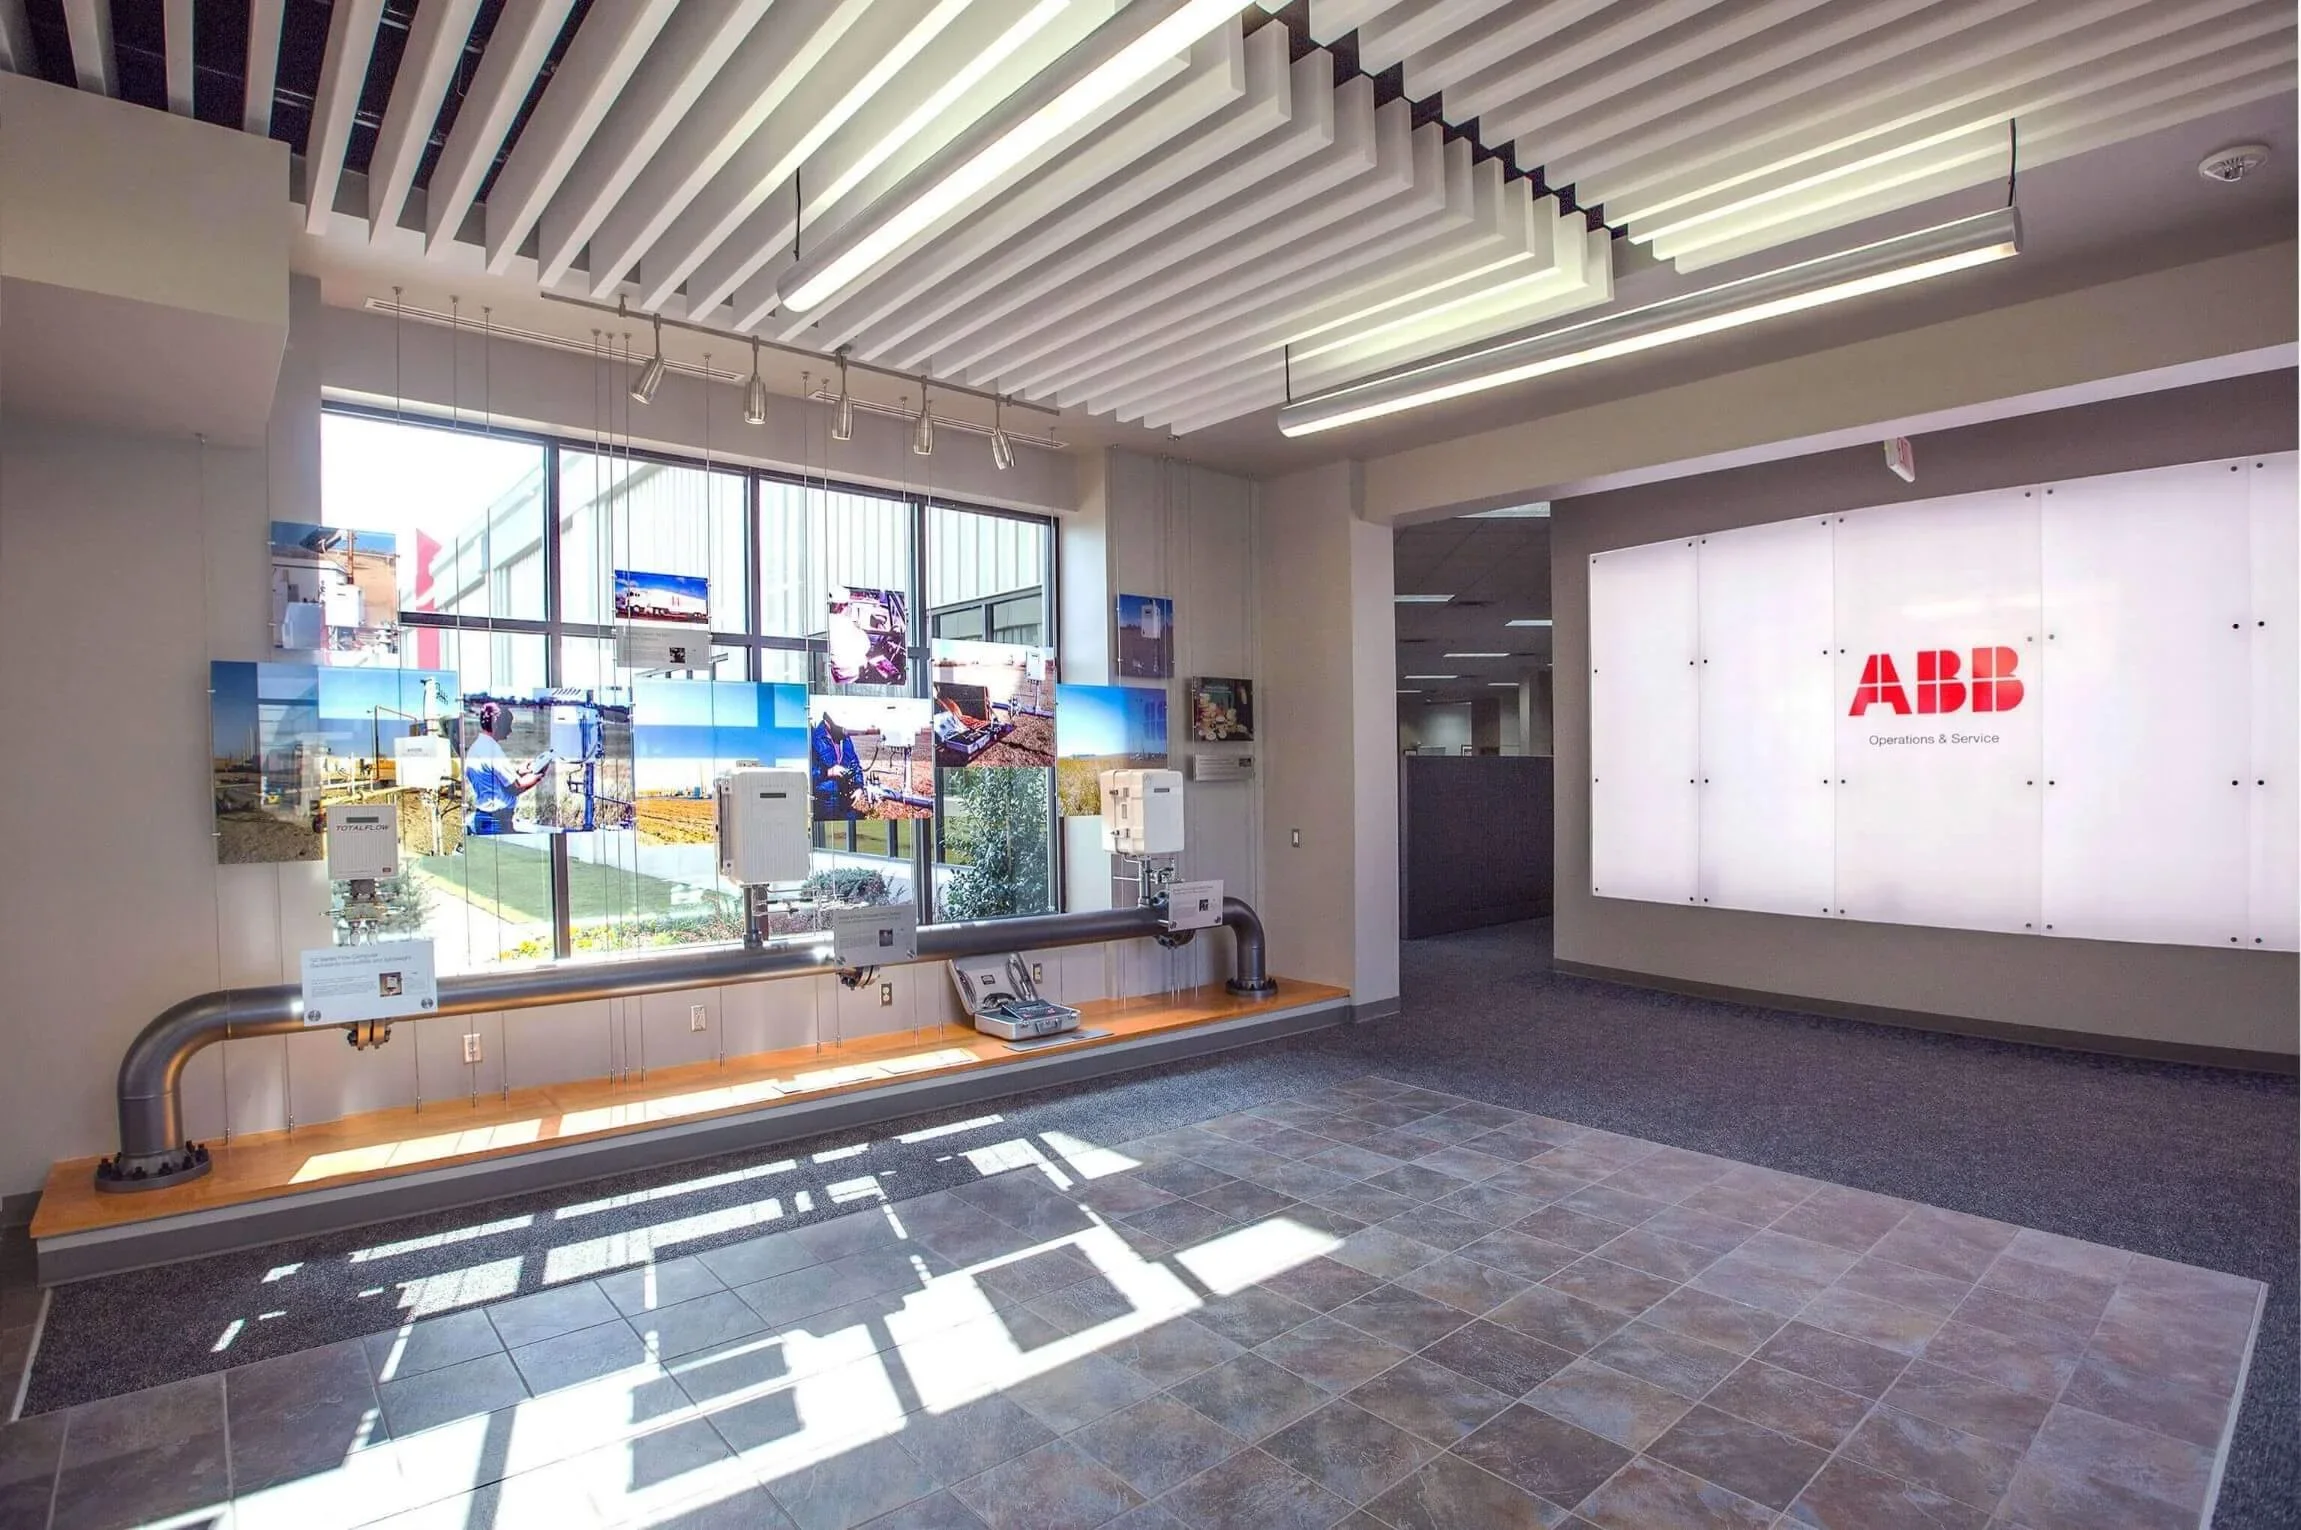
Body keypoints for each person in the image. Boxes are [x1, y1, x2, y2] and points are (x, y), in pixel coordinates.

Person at [464, 702, 554, 835]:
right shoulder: (492, 750)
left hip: (484, 817)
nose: (510, 730)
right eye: (507, 725)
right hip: (497, 820)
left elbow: (493, 779)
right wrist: (538, 776)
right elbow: (514, 788)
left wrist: (519, 771)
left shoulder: (476, 747)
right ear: (496, 723)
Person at [811, 711, 869, 818]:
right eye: (837, 726)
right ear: (826, 721)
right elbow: (808, 775)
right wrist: (829, 772)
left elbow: (854, 762)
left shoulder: (845, 737)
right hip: (823, 802)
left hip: (844, 798)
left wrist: (859, 786)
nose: (842, 729)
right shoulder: (814, 739)